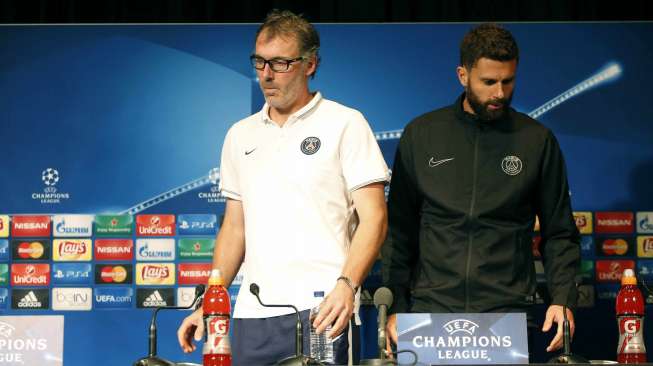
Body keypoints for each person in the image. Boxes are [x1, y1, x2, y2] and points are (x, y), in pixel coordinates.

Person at [177, 9, 390, 365]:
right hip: (251, 313)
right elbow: (234, 227)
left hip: (322, 310)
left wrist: (347, 286)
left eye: (280, 63)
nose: (266, 74)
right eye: (259, 62)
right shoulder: (239, 134)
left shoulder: (345, 123)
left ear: (310, 64)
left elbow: (374, 219)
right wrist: (207, 304)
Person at [382, 23, 580, 356]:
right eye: (488, 82)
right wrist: (396, 306)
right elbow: (399, 231)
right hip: (430, 310)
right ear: (463, 75)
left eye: (508, 81)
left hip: (508, 313)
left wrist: (562, 300)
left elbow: (560, 233)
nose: (500, 93)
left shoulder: (536, 141)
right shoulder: (422, 134)